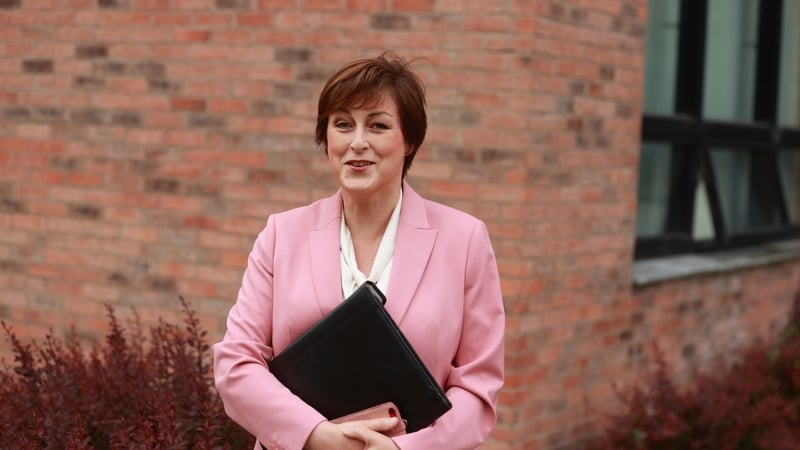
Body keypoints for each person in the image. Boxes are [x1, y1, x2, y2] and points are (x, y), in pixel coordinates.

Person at [213, 51, 505, 450]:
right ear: (326, 137)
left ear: (410, 140)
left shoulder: (465, 240)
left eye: (378, 126)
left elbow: (477, 388)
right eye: (343, 124)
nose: (357, 142)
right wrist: (318, 437)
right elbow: (236, 365)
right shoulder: (281, 234)